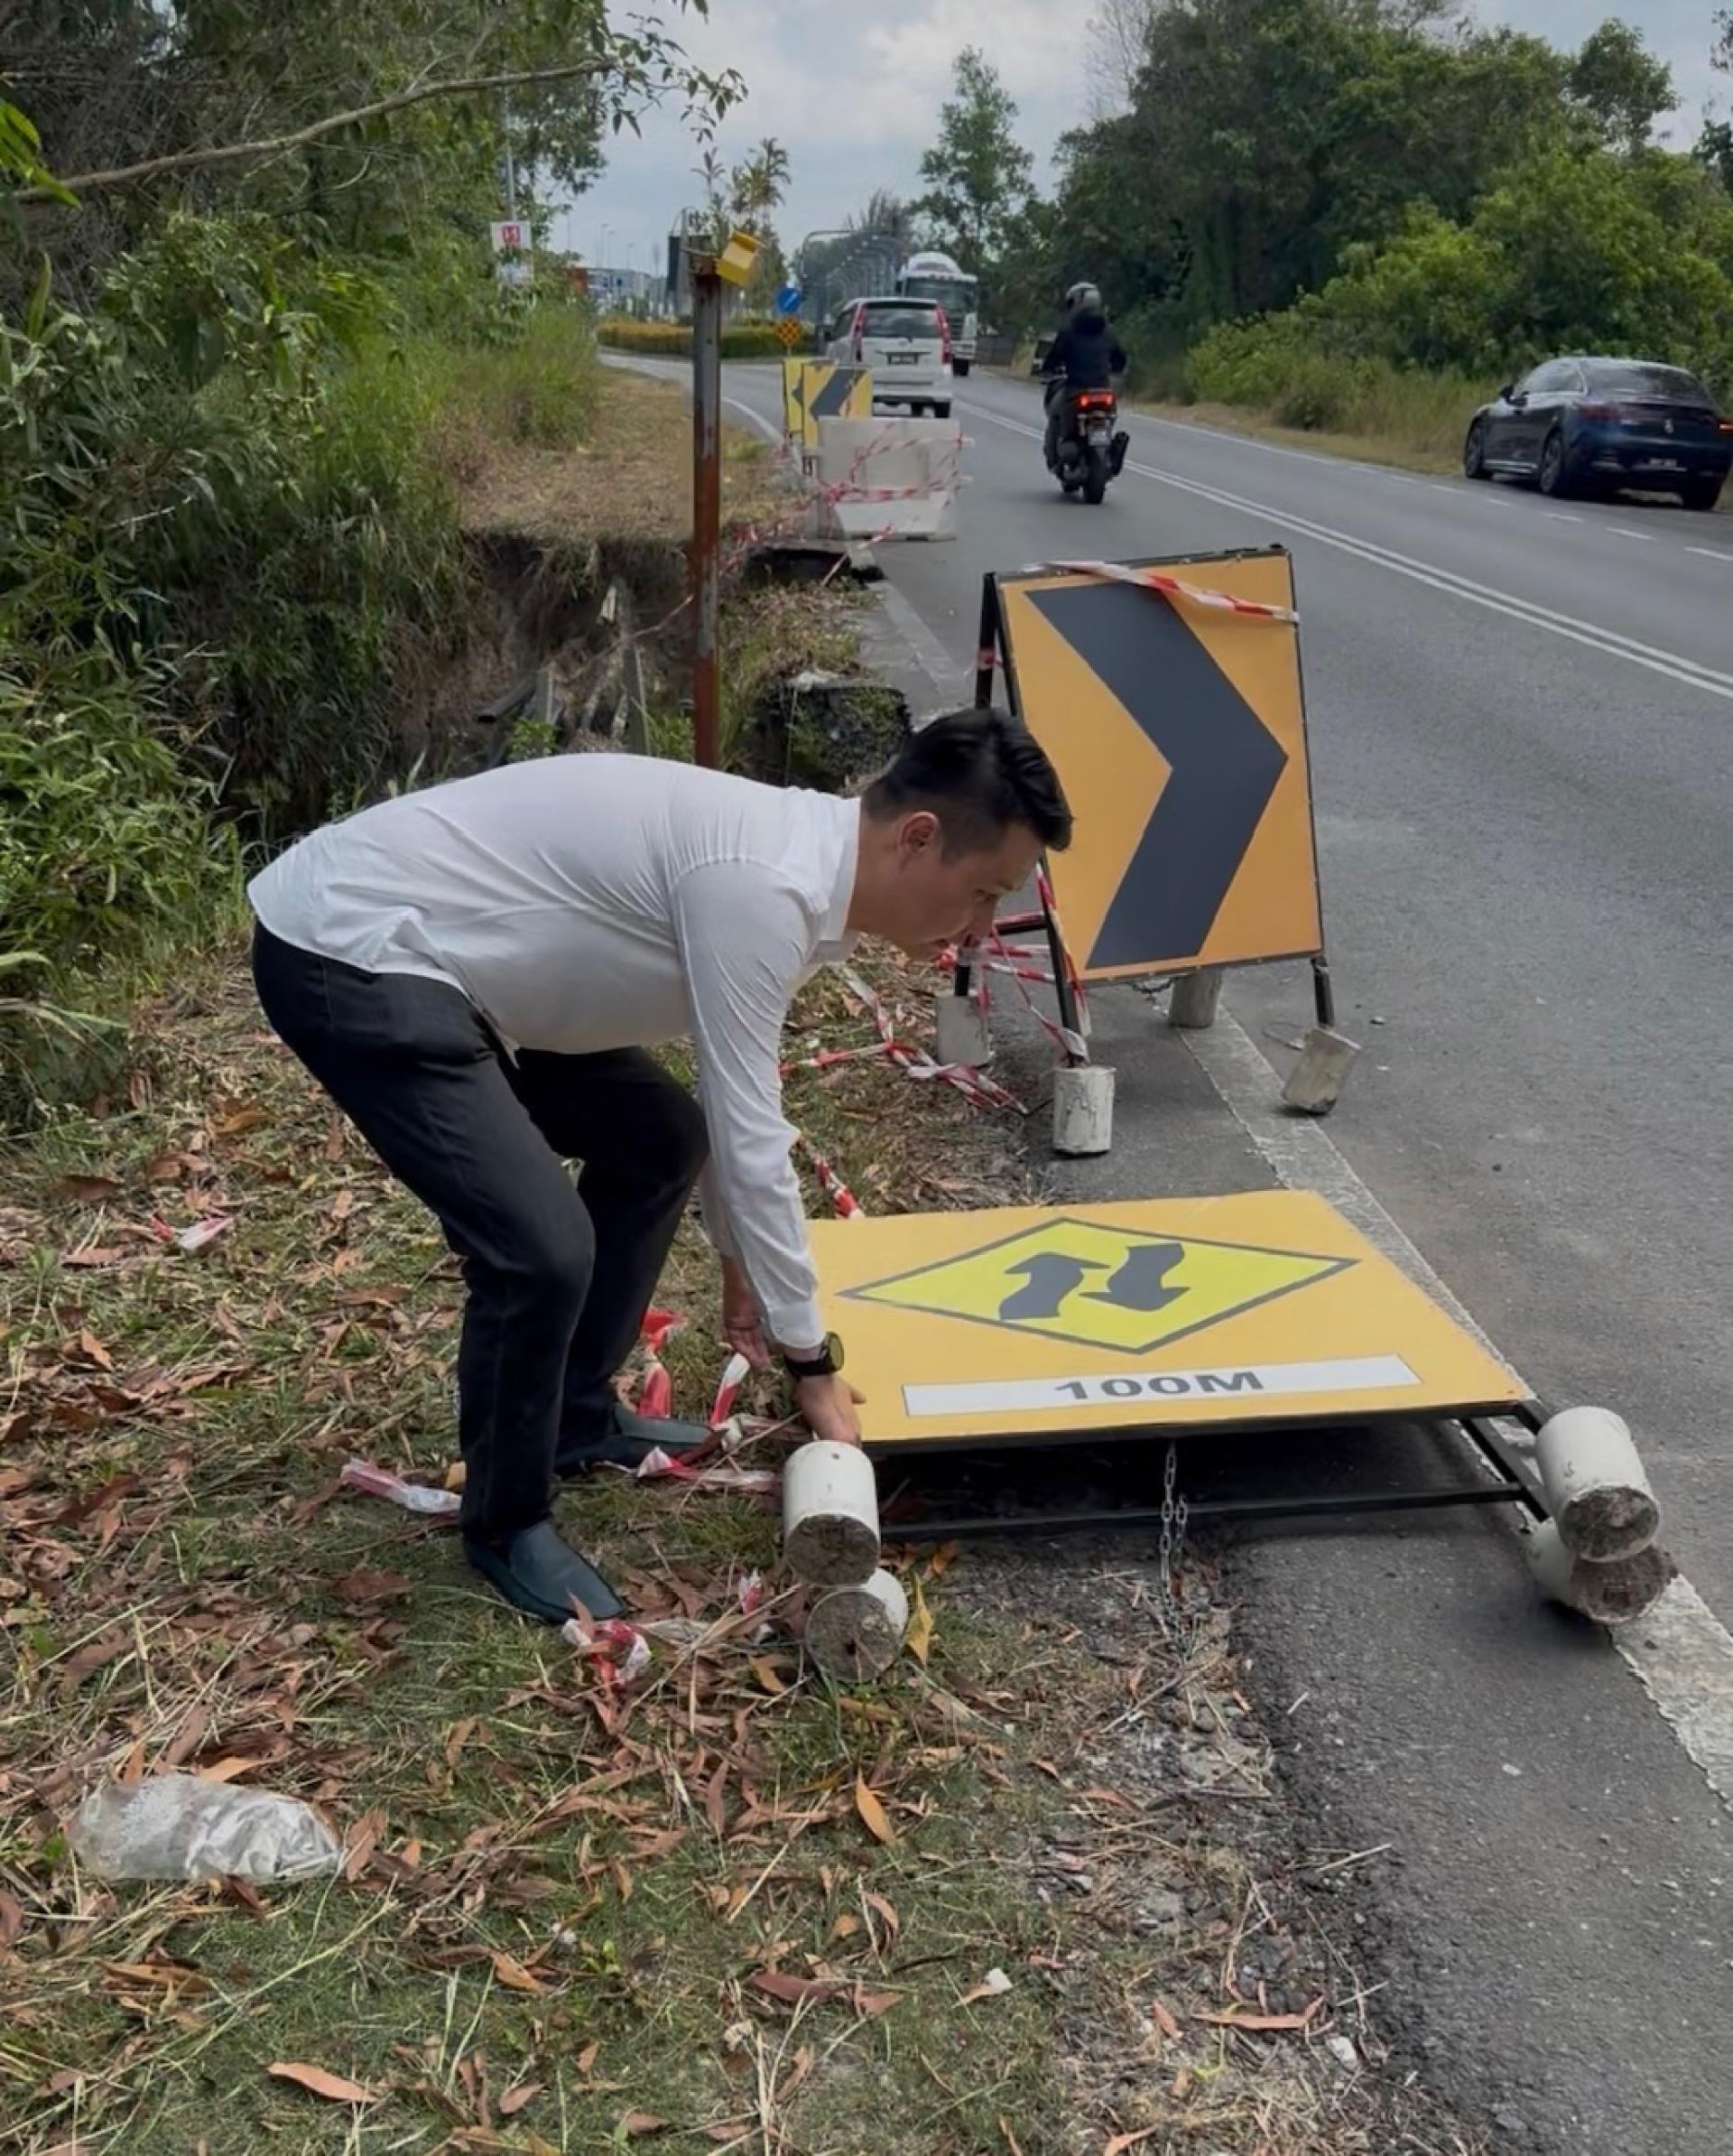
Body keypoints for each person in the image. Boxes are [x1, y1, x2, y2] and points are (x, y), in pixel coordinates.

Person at [248, 710, 1072, 1624]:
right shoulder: (765, 884)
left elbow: (729, 1097)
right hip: (354, 949)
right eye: (983, 892)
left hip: (475, 974)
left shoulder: (800, 875)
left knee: (660, 1138)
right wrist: (812, 1362)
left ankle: (573, 1416)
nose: (981, 926)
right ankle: (506, 1520)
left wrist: (739, 1263)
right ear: (917, 839)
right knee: (541, 1250)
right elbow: (754, 1137)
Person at [1042, 281, 1127, 469]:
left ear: (1078, 303)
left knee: (1056, 411)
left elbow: (1055, 356)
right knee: (1109, 413)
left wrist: (1047, 370)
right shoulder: (1108, 331)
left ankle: (1058, 453)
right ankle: (1111, 449)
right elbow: (1120, 358)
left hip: (1076, 388)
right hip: (1103, 388)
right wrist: (1116, 371)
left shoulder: (1068, 331)